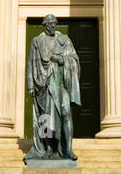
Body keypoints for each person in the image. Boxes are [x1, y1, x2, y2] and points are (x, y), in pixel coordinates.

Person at [25, 14, 81, 161]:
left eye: (54, 23)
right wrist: (30, 84)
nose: (53, 26)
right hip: (43, 84)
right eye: (49, 23)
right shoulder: (37, 42)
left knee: (66, 113)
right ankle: (48, 148)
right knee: (45, 117)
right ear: (44, 25)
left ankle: (68, 149)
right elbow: (31, 64)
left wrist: (62, 60)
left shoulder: (64, 41)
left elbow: (74, 59)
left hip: (61, 83)